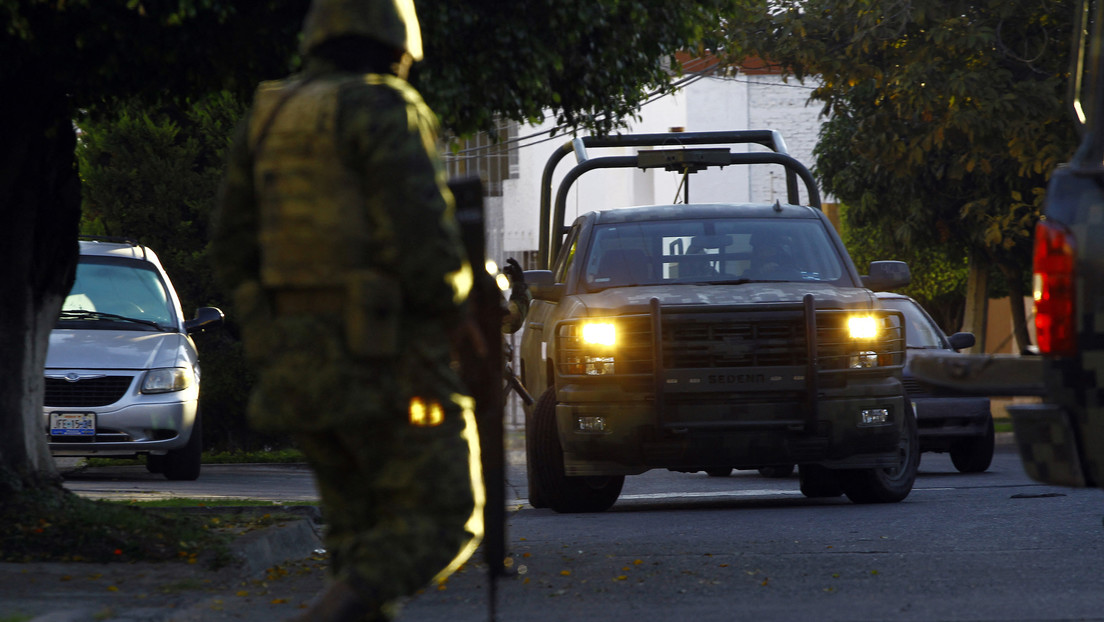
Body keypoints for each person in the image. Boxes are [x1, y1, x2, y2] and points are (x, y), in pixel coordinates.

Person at [210, 1, 483, 620]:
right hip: (380, 359)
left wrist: (270, 334)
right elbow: (424, 247)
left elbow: (231, 246)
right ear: (397, 39)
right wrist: (460, 306)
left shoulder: (271, 111)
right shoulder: (384, 106)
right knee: (448, 516)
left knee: (357, 538)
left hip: (294, 367)